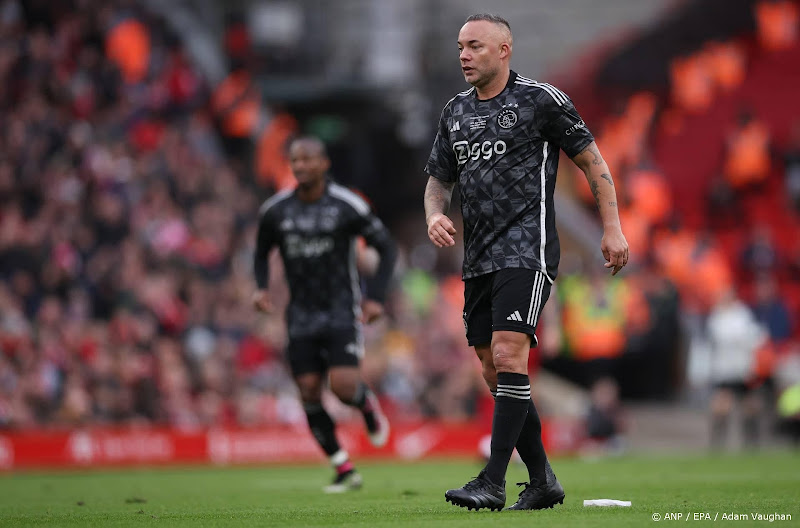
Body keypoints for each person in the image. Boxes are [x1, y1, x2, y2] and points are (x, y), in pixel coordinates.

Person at [423, 14, 628, 511]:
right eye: (459, 47)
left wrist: (612, 226)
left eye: (474, 46)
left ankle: (492, 481)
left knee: (511, 356)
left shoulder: (541, 100)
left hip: (527, 247)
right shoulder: (455, 112)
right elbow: (438, 179)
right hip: (478, 259)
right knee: (496, 371)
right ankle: (542, 481)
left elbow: (593, 162)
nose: (464, 56)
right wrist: (434, 215)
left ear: (504, 50)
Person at [253, 136, 396, 492]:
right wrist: (260, 288)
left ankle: (366, 405)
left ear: (324, 163)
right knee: (308, 389)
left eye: (307, 160)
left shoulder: (346, 206)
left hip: (340, 311)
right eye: (295, 161)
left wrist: (375, 297)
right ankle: (343, 468)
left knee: (344, 387)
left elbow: (386, 247)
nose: (300, 167)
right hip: (299, 315)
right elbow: (260, 250)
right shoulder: (276, 210)